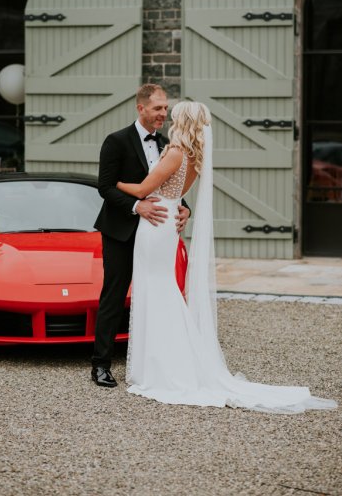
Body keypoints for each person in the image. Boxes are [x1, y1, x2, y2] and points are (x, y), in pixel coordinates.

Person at [115, 100, 337, 413]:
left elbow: (142, 190)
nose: (169, 120)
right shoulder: (193, 155)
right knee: (161, 288)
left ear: (182, 123)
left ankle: (162, 367)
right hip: (166, 223)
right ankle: (162, 361)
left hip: (155, 225)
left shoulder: (175, 152)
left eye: (174, 116)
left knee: (156, 289)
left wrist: (115, 183)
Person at [92, 84, 190, 388]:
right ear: (141, 108)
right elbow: (105, 187)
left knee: (156, 291)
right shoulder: (116, 141)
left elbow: (169, 186)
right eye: (158, 108)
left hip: (157, 233)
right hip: (121, 230)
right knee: (114, 294)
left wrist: (186, 209)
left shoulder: (167, 144)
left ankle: (154, 363)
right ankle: (101, 365)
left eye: (166, 108)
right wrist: (137, 206)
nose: (164, 114)